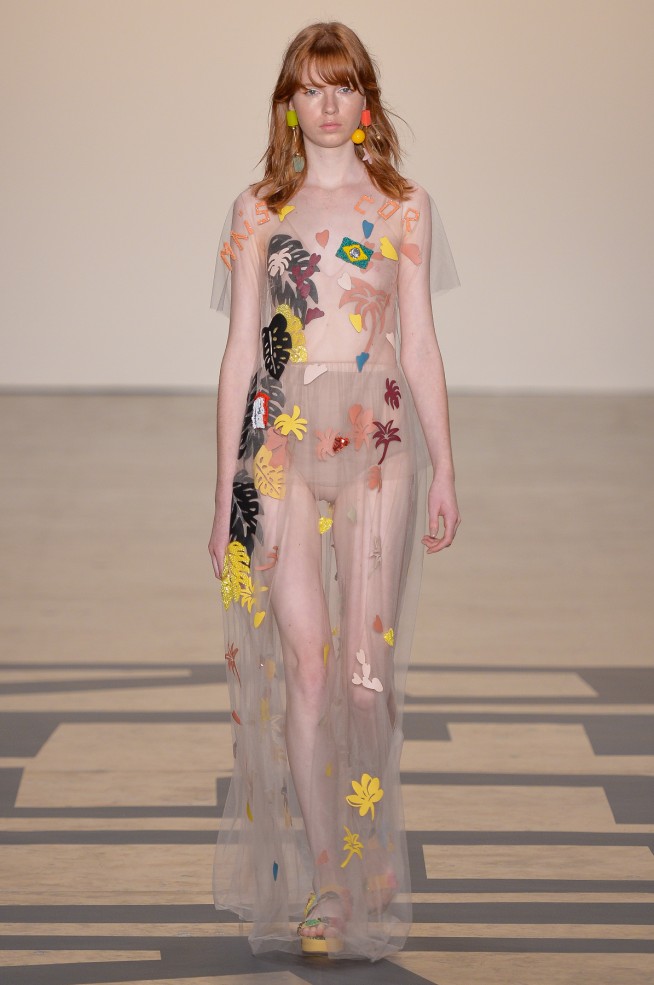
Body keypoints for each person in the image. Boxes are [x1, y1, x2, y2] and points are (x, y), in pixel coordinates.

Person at [207, 21, 461, 962]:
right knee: (306, 672)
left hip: (379, 437)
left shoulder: (404, 206)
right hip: (278, 442)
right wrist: (225, 493)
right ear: (288, 104)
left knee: (362, 679)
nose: (327, 104)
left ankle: (369, 834)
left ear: (365, 102)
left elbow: (420, 341)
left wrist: (447, 466)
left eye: (343, 86)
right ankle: (328, 878)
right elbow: (241, 351)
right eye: (311, 88)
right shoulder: (256, 209)